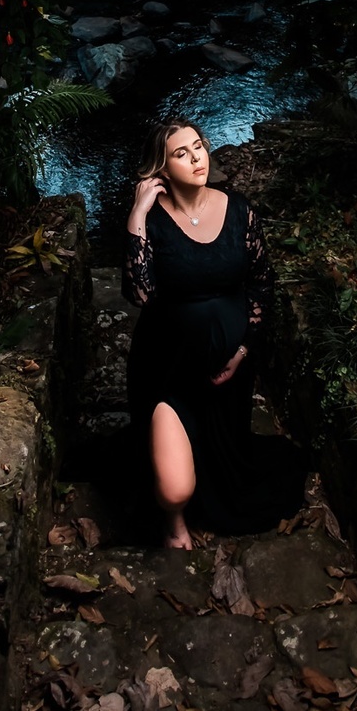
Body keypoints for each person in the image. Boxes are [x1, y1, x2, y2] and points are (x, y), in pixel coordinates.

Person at [123, 117, 306, 549]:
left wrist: (243, 348)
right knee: (174, 491)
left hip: (230, 370)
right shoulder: (151, 221)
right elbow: (139, 293)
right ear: (162, 170)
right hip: (169, 369)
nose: (196, 158)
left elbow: (262, 283)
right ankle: (175, 522)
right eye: (181, 154)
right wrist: (137, 213)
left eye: (198, 147)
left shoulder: (239, 209)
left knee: (232, 467)